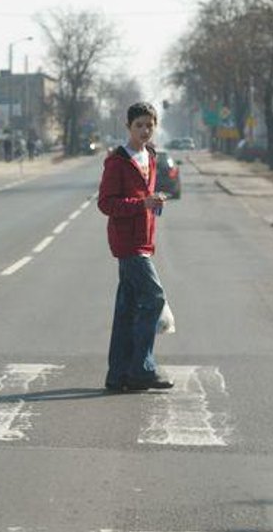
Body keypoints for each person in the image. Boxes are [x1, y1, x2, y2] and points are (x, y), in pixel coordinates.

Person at [97, 102, 173, 392]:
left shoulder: (150, 156)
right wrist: (142, 203)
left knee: (128, 309)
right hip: (128, 243)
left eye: (149, 125)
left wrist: (153, 201)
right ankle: (142, 369)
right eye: (139, 125)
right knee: (153, 298)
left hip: (145, 239)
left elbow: (146, 195)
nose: (145, 130)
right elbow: (106, 203)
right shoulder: (117, 161)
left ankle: (118, 376)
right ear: (128, 127)